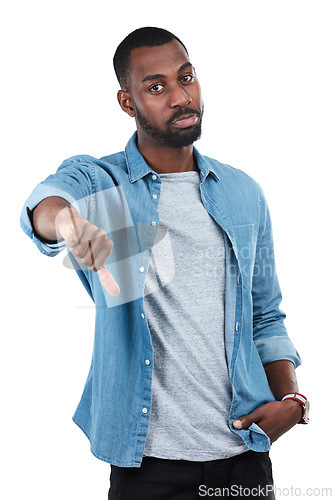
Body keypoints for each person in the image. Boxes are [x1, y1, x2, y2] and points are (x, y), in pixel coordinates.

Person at [20, 27, 309, 500]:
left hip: (243, 455)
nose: (180, 97)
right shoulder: (105, 182)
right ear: (127, 102)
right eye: (156, 87)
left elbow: (265, 314)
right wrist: (70, 223)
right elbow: (43, 204)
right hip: (146, 464)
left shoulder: (242, 193)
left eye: (186, 78)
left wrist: (292, 402)